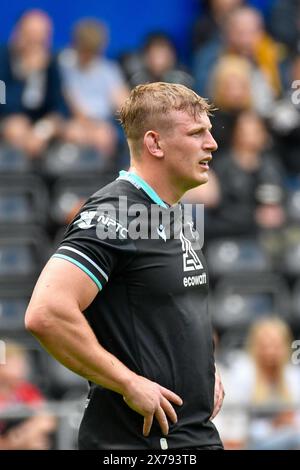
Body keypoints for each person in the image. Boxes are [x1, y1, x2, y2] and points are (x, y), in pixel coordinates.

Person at [25, 82, 224, 450]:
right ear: (155, 143)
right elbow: (47, 312)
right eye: (197, 133)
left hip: (192, 437)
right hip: (137, 445)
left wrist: (202, 372)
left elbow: (168, 310)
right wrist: (130, 383)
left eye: (209, 132)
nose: (211, 143)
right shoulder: (114, 213)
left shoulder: (176, 212)